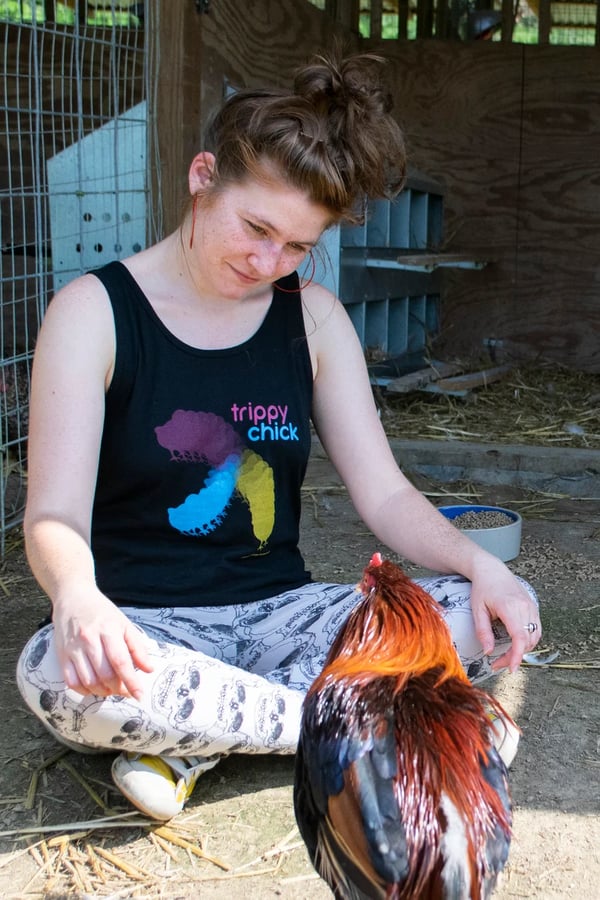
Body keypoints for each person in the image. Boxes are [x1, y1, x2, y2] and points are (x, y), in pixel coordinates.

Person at [17, 50, 541, 822]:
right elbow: (52, 517)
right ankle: (378, 728)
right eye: (255, 227)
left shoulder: (316, 318)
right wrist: (77, 596)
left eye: (296, 246)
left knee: (485, 611)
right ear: (202, 177)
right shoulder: (93, 312)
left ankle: (195, 738)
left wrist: (479, 566)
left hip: (284, 619)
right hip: (143, 628)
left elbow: (386, 493)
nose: (268, 262)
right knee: (56, 671)